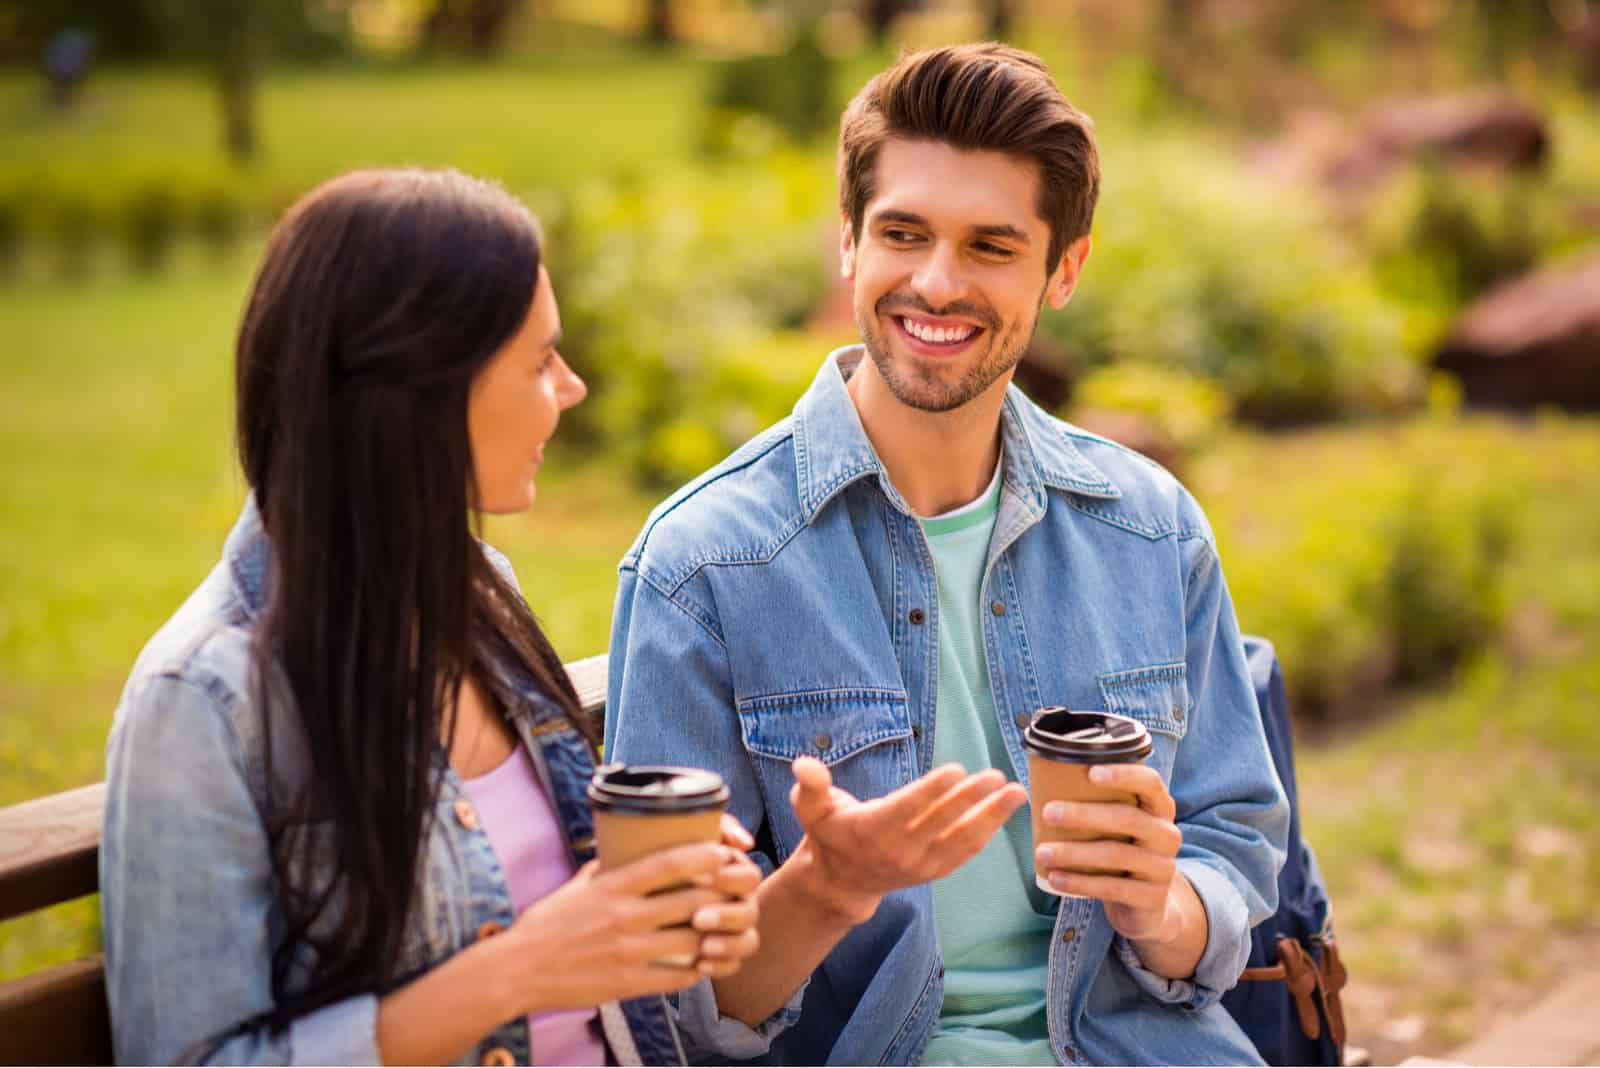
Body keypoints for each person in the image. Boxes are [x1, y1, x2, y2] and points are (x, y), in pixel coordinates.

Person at [605, 43, 1290, 1066]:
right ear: (846, 242)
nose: (936, 282)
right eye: (903, 233)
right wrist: (826, 887)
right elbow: (678, 1002)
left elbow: (1232, 850)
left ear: (1064, 269)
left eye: (990, 246)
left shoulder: (1150, 529)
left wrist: (1162, 903)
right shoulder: (706, 566)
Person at [101, 168, 763, 1066]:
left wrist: (666, 901)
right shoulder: (204, 701)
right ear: (420, 391)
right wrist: (523, 967)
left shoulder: (478, 596)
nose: (569, 389)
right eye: (538, 361)